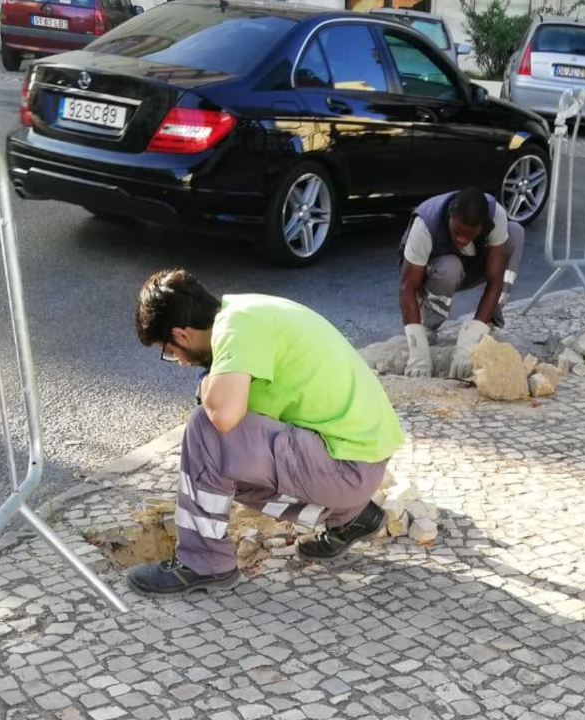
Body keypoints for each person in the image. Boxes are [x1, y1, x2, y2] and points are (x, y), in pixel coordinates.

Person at [127, 269, 404, 595]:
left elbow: (224, 416)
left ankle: (204, 562)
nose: (179, 361)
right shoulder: (242, 312)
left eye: (169, 351)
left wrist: (206, 384)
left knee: (205, 430)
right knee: (227, 469)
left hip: (346, 466)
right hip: (358, 461)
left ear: (182, 335)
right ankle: (351, 515)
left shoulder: (236, 330)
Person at [398, 187, 525, 380]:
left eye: (469, 235)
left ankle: (487, 321)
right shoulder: (425, 224)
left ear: (483, 226)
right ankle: (428, 325)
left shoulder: (495, 214)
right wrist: (418, 351)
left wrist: (472, 335)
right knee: (450, 267)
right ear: (450, 216)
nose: (462, 239)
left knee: (515, 232)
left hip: (472, 264)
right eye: (457, 232)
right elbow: (407, 288)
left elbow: (495, 279)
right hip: (436, 270)